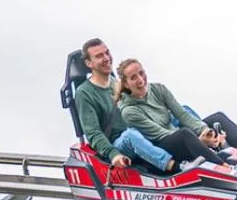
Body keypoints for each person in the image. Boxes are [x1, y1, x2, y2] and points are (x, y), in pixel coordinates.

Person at [115, 58, 237, 173]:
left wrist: (205, 131)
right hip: (164, 145)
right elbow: (160, 133)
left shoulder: (158, 89)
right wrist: (199, 140)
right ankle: (227, 168)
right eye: (133, 77)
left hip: (178, 135)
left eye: (141, 73)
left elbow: (181, 114)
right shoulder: (129, 111)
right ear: (126, 84)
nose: (140, 80)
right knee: (185, 134)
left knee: (217, 117)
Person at [73, 38, 190, 174]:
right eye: (99, 56)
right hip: (119, 142)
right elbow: (93, 133)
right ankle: (176, 167)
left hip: (138, 127)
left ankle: (206, 141)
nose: (106, 58)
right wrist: (113, 154)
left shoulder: (115, 82)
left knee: (183, 110)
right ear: (89, 63)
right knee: (131, 135)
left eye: (107, 53)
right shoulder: (84, 93)